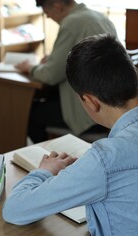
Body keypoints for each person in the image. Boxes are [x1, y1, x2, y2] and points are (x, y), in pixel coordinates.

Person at [2, 34, 138, 236]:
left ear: (90, 102)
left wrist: (44, 172)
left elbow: (16, 209)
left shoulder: (104, 160)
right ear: (134, 75)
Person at [16, 0, 117, 143]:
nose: (49, 17)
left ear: (57, 6)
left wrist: (30, 68)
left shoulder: (72, 23)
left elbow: (50, 75)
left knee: (28, 114)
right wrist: (54, 59)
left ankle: (45, 159)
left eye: (47, 13)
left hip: (90, 114)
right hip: (110, 106)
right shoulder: (99, 17)